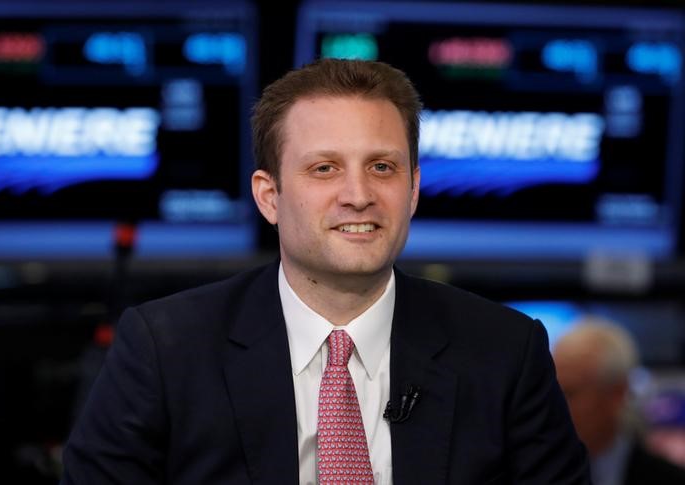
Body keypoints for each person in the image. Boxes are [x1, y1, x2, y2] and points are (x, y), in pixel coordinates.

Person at [61, 58, 590, 484]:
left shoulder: (506, 352)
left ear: (413, 190)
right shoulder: (163, 350)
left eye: (382, 167)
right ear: (270, 196)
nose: (358, 196)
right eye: (324, 168)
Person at [553, 317, 685, 485]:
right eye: (553, 393)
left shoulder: (671, 480)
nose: (556, 407)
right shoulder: (528, 474)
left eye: (570, 393)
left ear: (617, 393)